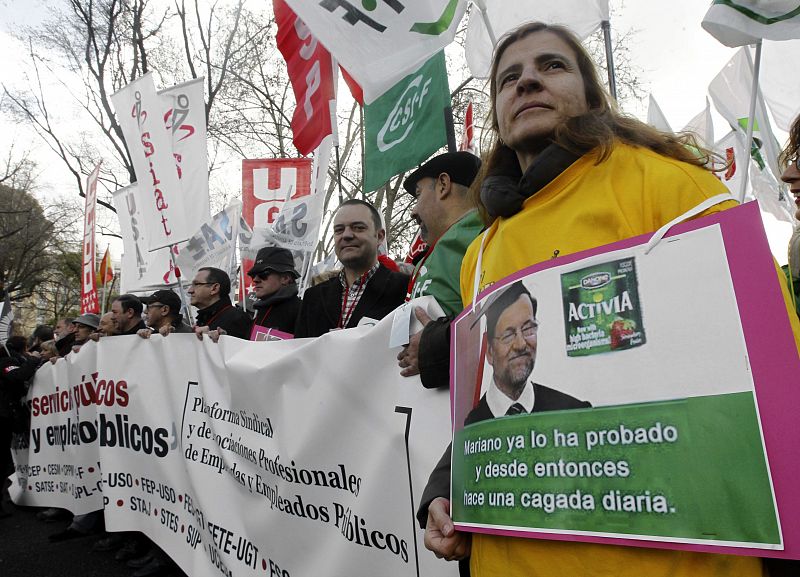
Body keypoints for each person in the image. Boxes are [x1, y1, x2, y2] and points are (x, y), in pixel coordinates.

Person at [420, 21, 786, 577]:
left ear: (590, 93)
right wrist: (449, 488)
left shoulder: (671, 187)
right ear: (496, 112)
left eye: (552, 66)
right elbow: (487, 405)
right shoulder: (481, 251)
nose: (527, 83)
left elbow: (772, 374)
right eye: (509, 78)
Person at [397, 151, 483, 383]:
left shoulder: (483, 239)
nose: (414, 211)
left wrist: (434, 346)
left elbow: (494, 325)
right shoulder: (433, 252)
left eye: (418, 194)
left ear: (443, 185)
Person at [466, 282, 589, 424]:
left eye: (528, 329)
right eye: (508, 335)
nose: (521, 344)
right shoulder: (469, 429)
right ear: (489, 351)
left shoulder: (576, 414)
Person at [294, 199, 409, 338]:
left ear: (379, 236)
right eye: (339, 230)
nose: (347, 235)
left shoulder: (405, 289)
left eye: (358, 227)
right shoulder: (313, 297)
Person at [247, 246, 302, 335]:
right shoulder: (262, 311)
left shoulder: (301, 312)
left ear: (285, 278)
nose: (255, 280)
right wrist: (224, 339)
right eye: (253, 275)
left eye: (263, 274)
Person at [188, 267, 251, 339]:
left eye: (196, 284)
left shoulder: (237, 319)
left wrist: (223, 339)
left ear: (214, 288)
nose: (190, 290)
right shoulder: (202, 319)